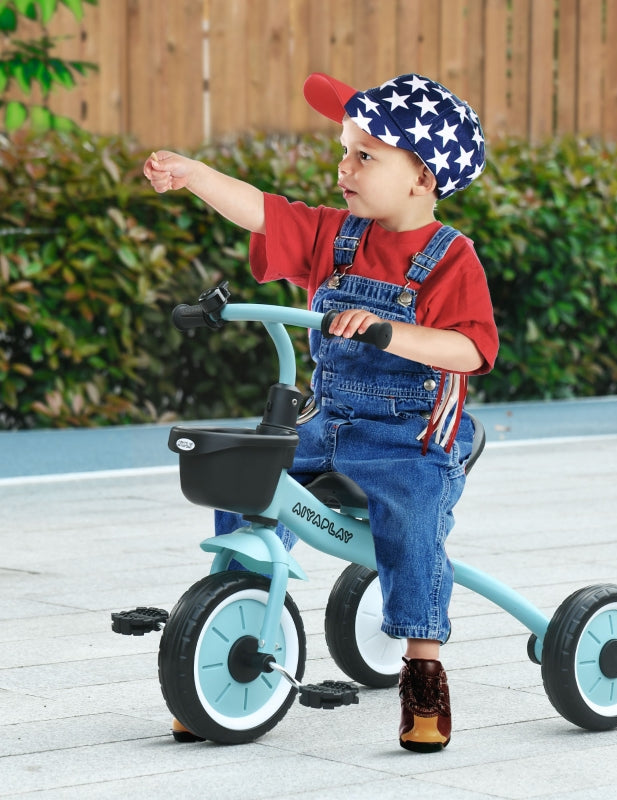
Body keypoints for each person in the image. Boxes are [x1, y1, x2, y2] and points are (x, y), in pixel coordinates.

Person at [144, 72, 499, 752]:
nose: (344, 167)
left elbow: (470, 347)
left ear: (421, 177)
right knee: (249, 476)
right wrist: (194, 175)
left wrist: (389, 331)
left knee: (414, 520)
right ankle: (229, 628)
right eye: (345, 150)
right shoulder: (336, 237)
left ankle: (423, 665)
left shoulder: (450, 258)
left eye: (365, 155)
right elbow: (263, 211)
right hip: (330, 421)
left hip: (411, 437)